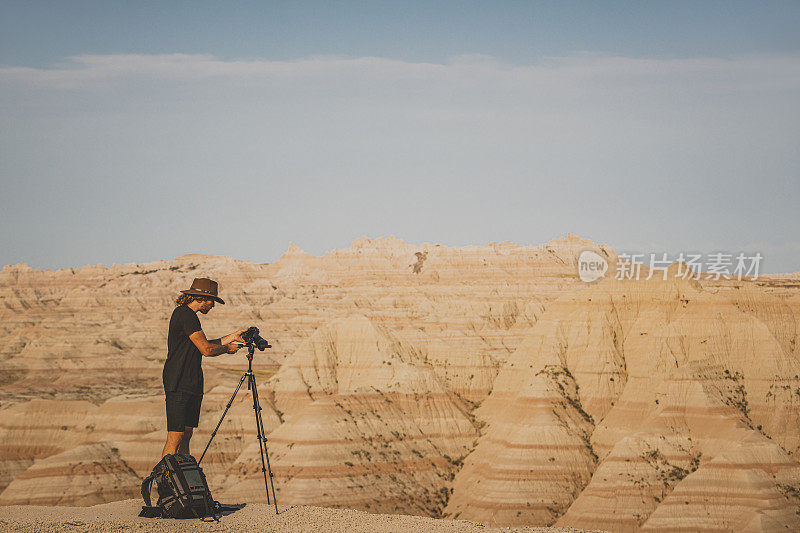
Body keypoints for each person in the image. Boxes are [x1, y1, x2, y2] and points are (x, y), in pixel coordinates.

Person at [161, 277, 246, 458]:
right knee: (175, 436)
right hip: (179, 381)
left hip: (191, 382)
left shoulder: (189, 316)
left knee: (186, 435)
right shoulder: (184, 315)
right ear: (201, 298)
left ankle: (184, 476)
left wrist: (232, 337)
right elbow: (206, 350)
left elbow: (202, 344)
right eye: (212, 301)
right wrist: (226, 349)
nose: (213, 306)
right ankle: (166, 480)